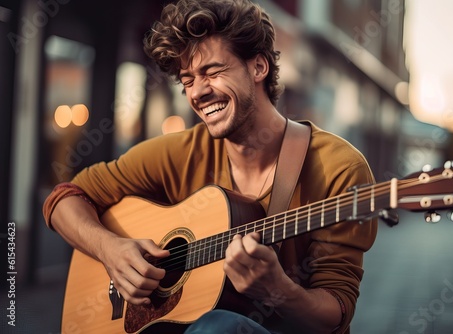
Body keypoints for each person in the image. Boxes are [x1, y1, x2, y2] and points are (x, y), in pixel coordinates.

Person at [43, 0, 377, 333]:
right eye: (187, 80)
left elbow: (335, 313)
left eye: (213, 72)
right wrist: (111, 250)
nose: (198, 92)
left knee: (219, 327)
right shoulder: (181, 152)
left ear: (258, 67)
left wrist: (279, 291)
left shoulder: (339, 168)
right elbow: (64, 198)